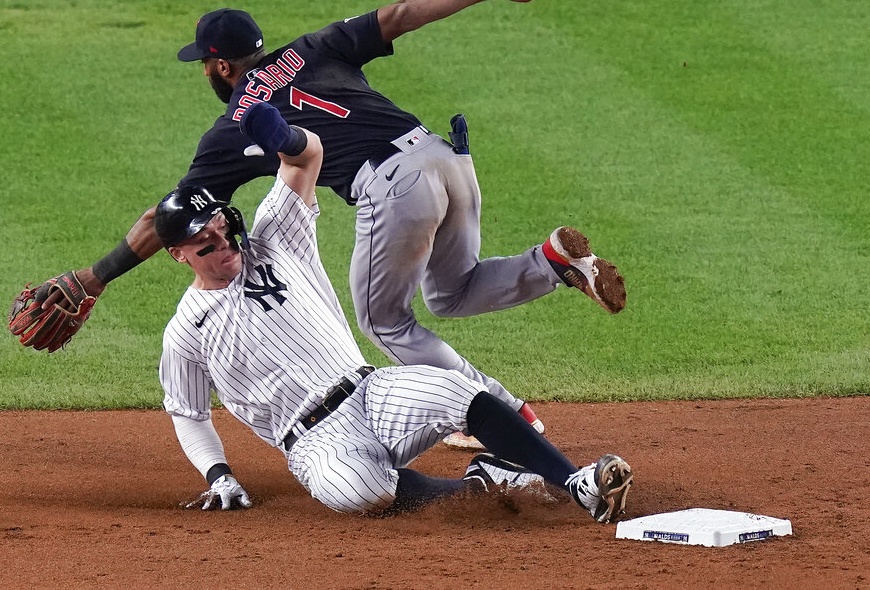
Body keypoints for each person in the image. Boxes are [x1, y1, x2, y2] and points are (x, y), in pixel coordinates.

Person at [52, 0, 625, 445]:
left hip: (395, 186)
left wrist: (97, 276)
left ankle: (500, 416)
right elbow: (403, 13)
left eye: (203, 63)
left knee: (384, 322)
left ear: (221, 65)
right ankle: (550, 263)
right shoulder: (313, 48)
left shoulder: (232, 127)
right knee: (452, 292)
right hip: (446, 159)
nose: (204, 72)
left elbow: (168, 217)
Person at [157, 101, 632, 521]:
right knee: (353, 491)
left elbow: (307, 156)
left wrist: (282, 135)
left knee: (457, 390)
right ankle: (482, 484)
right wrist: (218, 474)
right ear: (178, 255)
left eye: (223, 229)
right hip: (314, 442)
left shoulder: (275, 239)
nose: (223, 244)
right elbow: (189, 413)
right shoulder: (185, 331)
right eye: (205, 244)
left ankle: (577, 485)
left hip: (371, 391)